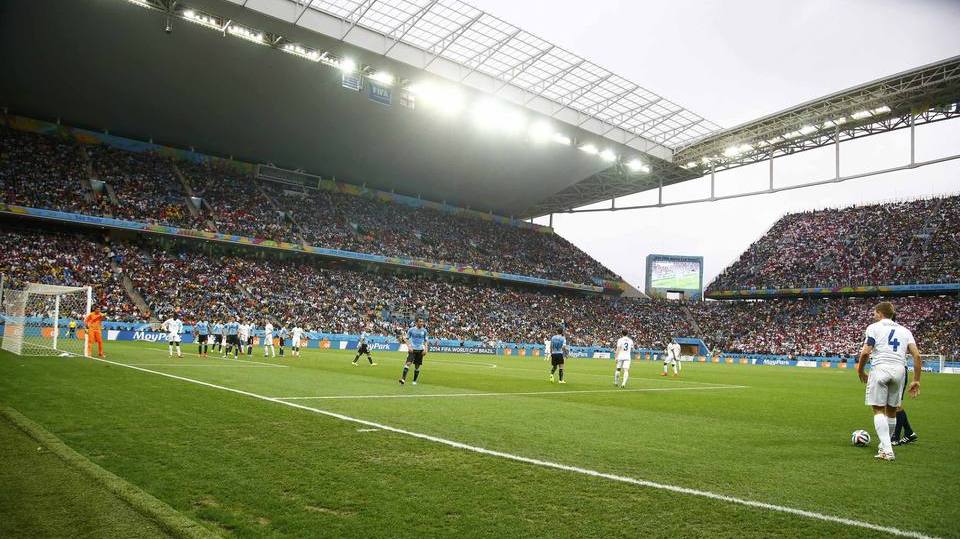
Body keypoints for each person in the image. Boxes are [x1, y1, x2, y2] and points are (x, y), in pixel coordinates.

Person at [856, 301, 922, 461]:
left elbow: (866, 353)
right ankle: (885, 446)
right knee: (892, 411)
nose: (873, 316)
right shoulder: (905, 331)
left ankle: (887, 450)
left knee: (878, 410)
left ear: (879, 313)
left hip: (880, 368)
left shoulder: (873, 327)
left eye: (874, 313)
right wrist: (916, 380)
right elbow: (917, 356)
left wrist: (861, 370)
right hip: (900, 370)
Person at [398, 319, 428, 385]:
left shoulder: (424, 331)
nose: (421, 323)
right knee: (408, 363)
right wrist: (409, 347)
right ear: (416, 322)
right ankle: (403, 379)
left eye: (422, 321)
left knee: (417, 366)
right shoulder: (411, 330)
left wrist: (426, 349)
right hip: (412, 350)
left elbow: (425, 341)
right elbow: (406, 338)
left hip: (420, 350)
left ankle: (414, 381)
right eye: (420, 321)